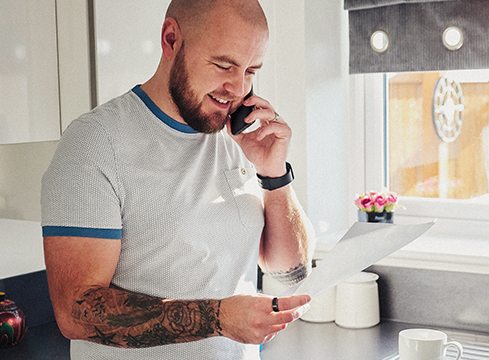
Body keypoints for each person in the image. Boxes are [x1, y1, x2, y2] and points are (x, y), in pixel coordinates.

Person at [40, 0, 314, 359]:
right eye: (224, 65)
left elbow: (290, 272)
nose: (236, 87)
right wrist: (219, 318)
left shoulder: (237, 140)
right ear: (171, 39)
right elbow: (76, 312)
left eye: (250, 71)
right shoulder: (95, 144)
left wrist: (274, 174)